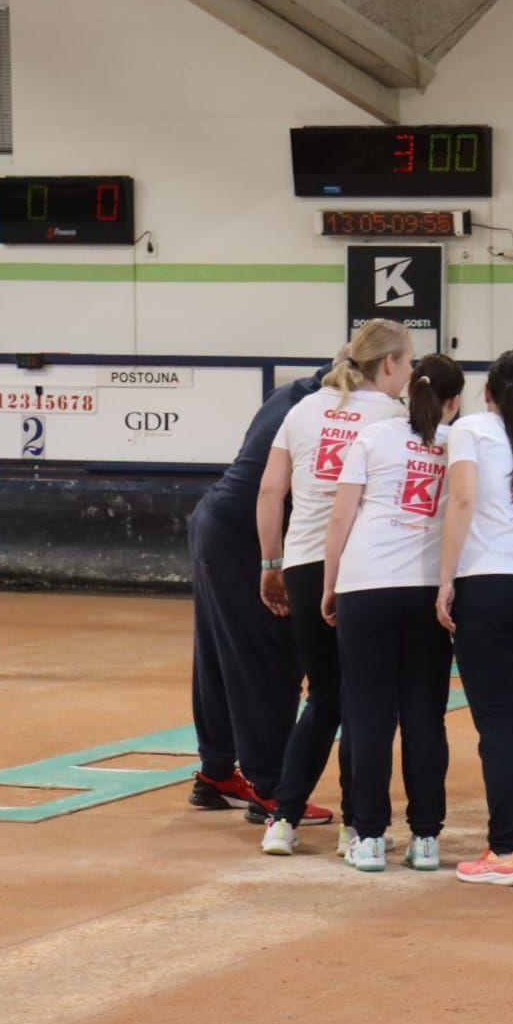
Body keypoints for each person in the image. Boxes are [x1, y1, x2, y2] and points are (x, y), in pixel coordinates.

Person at [257, 320, 413, 857]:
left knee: (323, 698)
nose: (409, 373)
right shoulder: (392, 418)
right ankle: (354, 825)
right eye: (408, 362)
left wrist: (270, 563)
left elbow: (271, 491)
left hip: (303, 563)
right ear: (388, 364)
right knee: (363, 701)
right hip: (362, 570)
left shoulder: (301, 410)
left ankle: (282, 819)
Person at [320, 355, 464, 873]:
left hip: (366, 584)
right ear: (454, 401)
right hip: (428, 591)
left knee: (368, 715)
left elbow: (341, 517)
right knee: (425, 715)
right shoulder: (459, 446)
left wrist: (330, 584)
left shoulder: (373, 437)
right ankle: (426, 838)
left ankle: (369, 836)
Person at [188, 354, 340, 827]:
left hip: (214, 521)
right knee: (270, 656)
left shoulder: (289, 394)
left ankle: (217, 772)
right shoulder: (327, 413)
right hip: (248, 536)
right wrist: (273, 564)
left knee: (217, 656)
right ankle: (270, 788)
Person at [436, 350, 513, 887]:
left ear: (487, 391)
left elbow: (462, 501)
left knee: (497, 722)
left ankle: (504, 849)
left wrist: (445, 579)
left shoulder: (471, 430)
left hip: (488, 582)